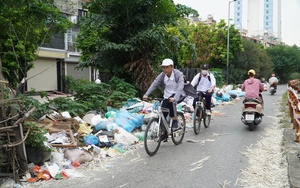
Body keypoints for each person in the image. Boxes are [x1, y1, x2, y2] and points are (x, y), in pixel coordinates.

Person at [143, 58, 185, 141]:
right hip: (167, 95)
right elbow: (155, 83)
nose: (165, 69)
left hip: (178, 94)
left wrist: (175, 98)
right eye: (163, 67)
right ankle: (165, 133)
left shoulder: (178, 75)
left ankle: (175, 120)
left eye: (167, 67)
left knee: (171, 102)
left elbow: (180, 87)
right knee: (163, 114)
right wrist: (146, 94)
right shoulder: (162, 75)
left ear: (172, 67)